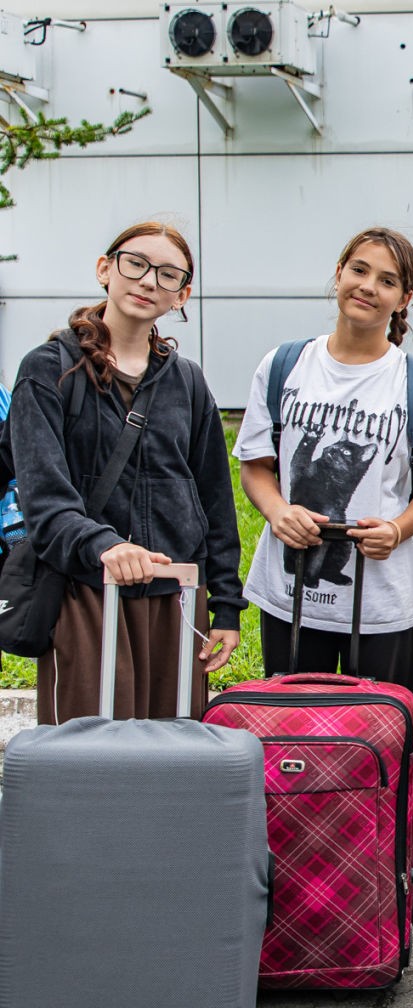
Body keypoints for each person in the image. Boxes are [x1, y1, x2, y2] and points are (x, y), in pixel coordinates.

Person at [10, 221, 244, 723]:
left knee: (172, 748)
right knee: (89, 750)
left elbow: (215, 503)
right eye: (135, 264)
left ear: (182, 294)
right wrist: (106, 546)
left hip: (176, 598)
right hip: (86, 592)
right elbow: (45, 499)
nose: (148, 281)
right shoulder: (49, 369)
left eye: (167, 274)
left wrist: (225, 606)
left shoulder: (187, 382)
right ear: (105, 269)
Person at [235, 227, 413, 692]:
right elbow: (256, 466)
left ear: (405, 299)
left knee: (382, 727)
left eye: (387, 280)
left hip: (385, 601)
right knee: (294, 723)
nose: (368, 286)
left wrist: (397, 529)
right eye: (359, 270)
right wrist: (279, 513)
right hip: (290, 596)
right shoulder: (284, 365)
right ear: (339, 273)